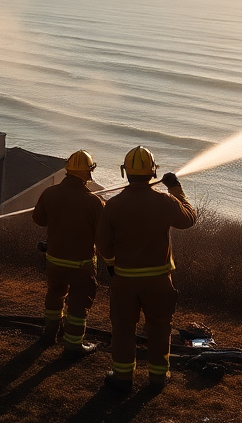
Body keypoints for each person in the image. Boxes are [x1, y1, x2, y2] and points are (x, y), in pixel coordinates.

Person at [96, 146, 196, 392]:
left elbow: (104, 247)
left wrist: (111, 265)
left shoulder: (114, 205)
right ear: (153, 173)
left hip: (125, 281)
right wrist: (175, 189)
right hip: (159, 281)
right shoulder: (165, 200)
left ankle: (121, 378)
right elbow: (189, 219)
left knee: (122, 329)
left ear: (124, 172)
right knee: (160, 329)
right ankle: (158, 378)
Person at [32, 150, 104, 356]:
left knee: (55, 294)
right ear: (88, 172)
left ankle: (49, 334)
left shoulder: (50, 193)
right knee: (79, 302)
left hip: (54, 259)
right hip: (81, 264)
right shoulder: (93, 202)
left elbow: (39, 219)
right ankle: (73, 345)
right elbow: (103, 234)